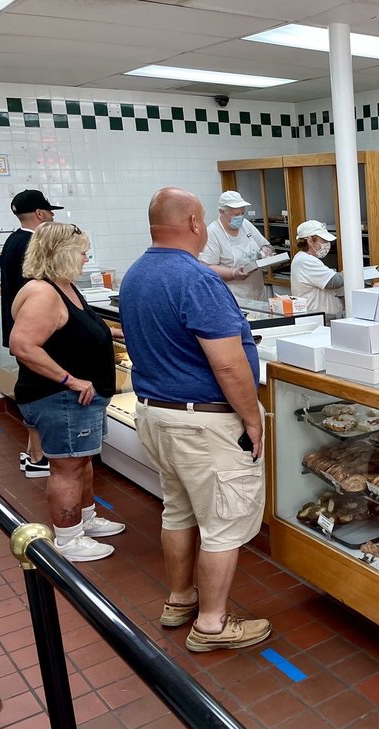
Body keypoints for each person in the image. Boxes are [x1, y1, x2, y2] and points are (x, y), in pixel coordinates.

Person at [121, 187, 270, 653]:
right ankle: (211, 624)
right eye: (203, 217)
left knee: (179, 510)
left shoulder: (137, 273)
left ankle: (180, 598)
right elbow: (228, 364)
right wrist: (252, 419)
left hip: (156, 414)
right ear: (192, 223)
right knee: (223, 522)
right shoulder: (197, 278)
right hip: (203, 424)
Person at [9, 222, 125, 562]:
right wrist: (70, 380)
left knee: (80, 461)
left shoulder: (64, 286)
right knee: (67, 468)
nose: (86, 258)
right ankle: (69, 538)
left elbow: (74, 328)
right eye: (81, 252)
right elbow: (22, 345)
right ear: (60, 254)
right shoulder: (43, 293)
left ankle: (85, 519)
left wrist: (111, 333)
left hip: (79, 399)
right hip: (60, 399)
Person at [1, 190, 63, 479]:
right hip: (33, 332)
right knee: (38, 391)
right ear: (40, 214)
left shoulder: (13, 240)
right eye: (49, 212)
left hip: (20, 329)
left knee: (31, 387)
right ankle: (39, 457)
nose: (51, 217)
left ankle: (32, 452)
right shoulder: (31, 243)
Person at [199, 190, 273, 303]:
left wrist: (266, 251)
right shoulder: (213, 232)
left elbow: (265, 245)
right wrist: (233, 274)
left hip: (256, 292)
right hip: (233, 297)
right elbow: (207, 268)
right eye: (236, 215)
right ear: (222, 212)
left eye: (242, 213)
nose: (240, 217)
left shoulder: (246, 224)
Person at [289, 220, 344, 318]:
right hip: (318, 318)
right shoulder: (305, 260)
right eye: (324, 241)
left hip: (323, 316)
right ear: (310, 241)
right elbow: (335, 281)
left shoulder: (305, 259)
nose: (327, 244)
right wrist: (354, 272)